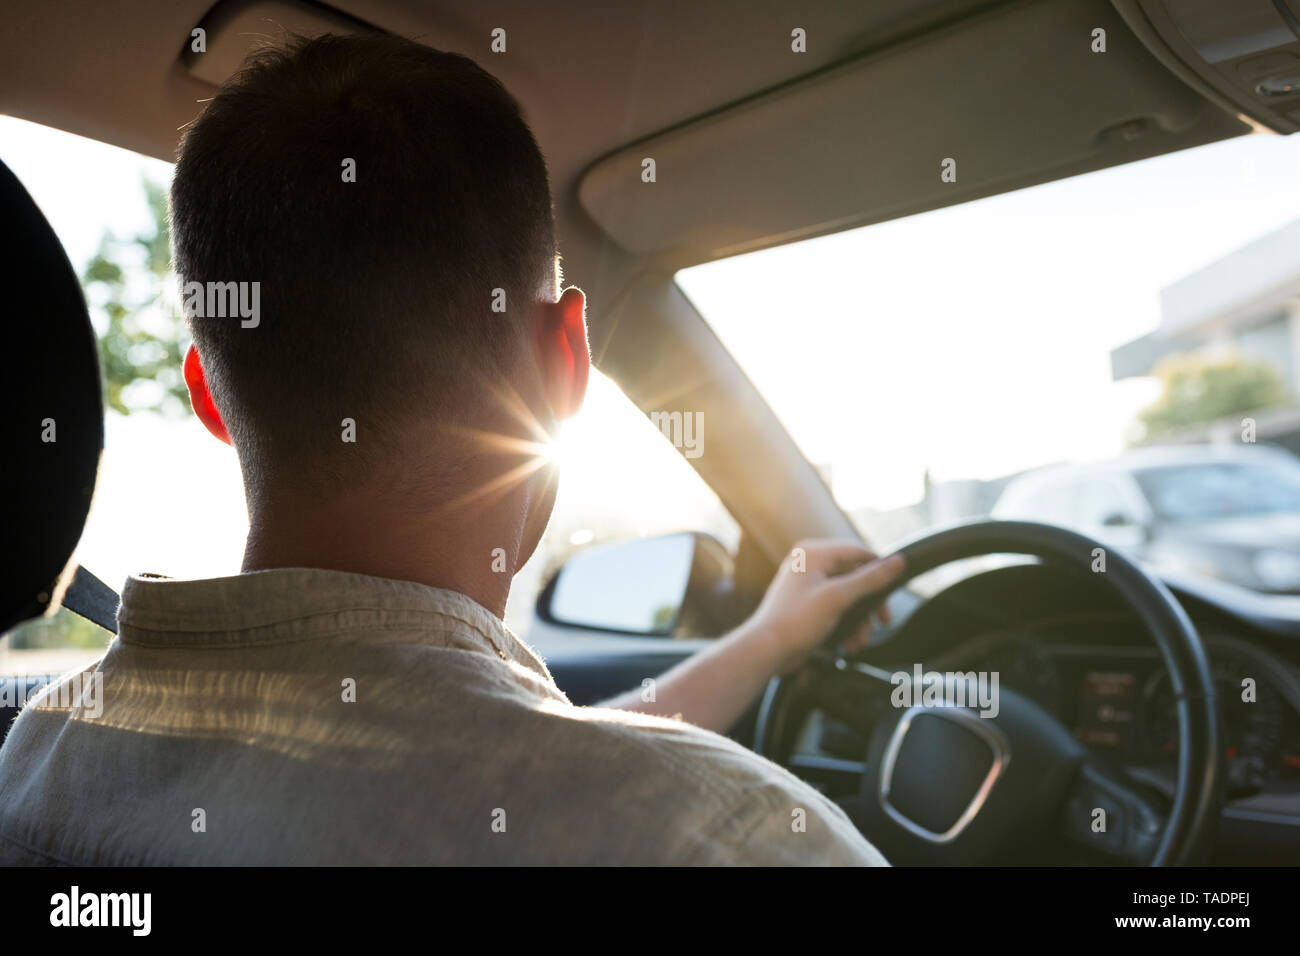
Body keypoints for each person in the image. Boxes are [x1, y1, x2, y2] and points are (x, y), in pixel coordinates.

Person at [0, 33, 903, 865]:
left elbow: (479, 751)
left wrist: (765, 642)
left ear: (209, 396)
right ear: (565, 359)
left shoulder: (41, 761)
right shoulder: (721, 838)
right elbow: (523, 773)